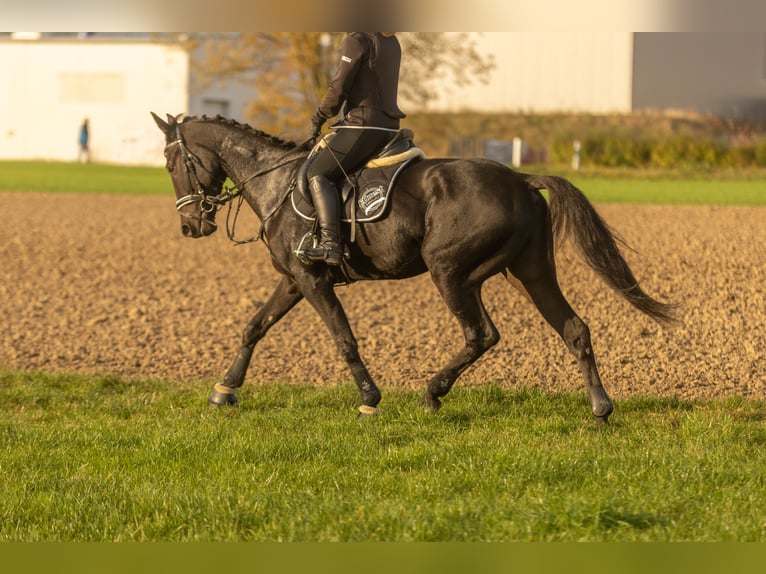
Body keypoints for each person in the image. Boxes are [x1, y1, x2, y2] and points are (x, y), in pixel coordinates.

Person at [303, 32, 406, 266]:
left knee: (317, 173)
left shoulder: (357, 40)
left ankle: (331, 245)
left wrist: (319, 116)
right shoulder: (391, 40)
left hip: (363, 126)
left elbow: (339, 86)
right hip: (389, 128)